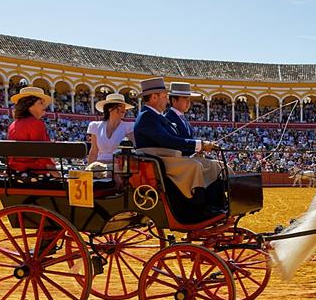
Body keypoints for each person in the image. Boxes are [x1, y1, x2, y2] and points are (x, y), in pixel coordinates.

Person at [132, 77, 223, 205]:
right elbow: (167, 140)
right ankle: (195, 206)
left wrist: (198, 147)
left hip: (165, 159)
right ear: (154, 97)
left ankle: (213, 203)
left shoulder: (154, 116)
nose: (166, 101)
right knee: (195, 166)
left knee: (211, 165)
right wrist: (199, 145)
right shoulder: (147, 116)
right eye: (164, 97)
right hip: (159, 162)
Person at [6, 86, 58, 176]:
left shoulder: (13, 125)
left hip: (15, 173)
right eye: (41, 103)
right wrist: (56, 174)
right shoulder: (35, 123)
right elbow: (42, 154)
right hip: (35, 173)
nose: (44, 106)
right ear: (29, 105)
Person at [87, 93, 135, 164]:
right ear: (110, 109)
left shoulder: (129, 127)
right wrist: (89, 171)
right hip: (99, 168)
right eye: (120, 107)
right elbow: (94, 151)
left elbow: (132, 149)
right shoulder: (95, 126)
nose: (124, 110)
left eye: (124, 107)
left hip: (119, 168)